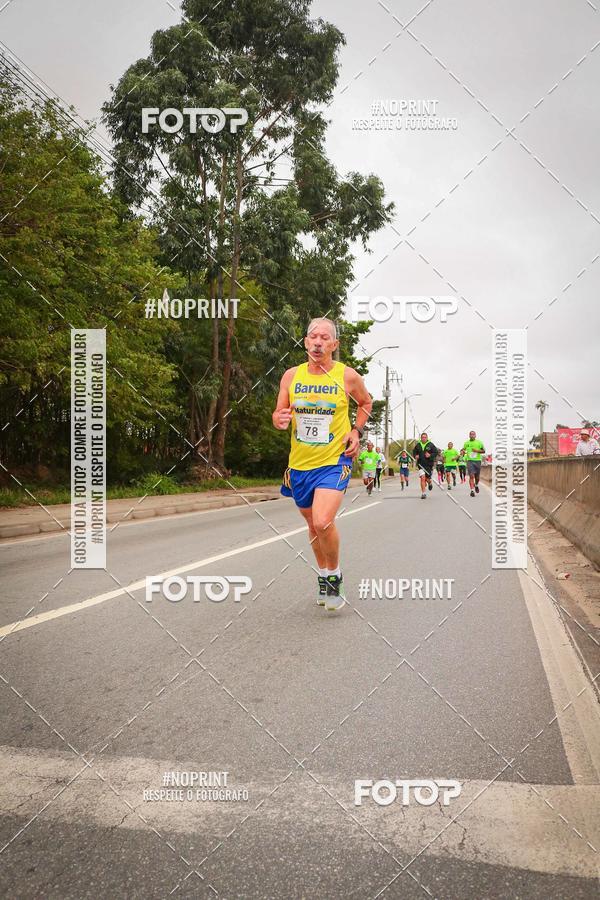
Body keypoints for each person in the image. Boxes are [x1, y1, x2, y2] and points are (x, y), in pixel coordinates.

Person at [273, 317, 372, 611]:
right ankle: (323, 574)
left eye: (325, 338)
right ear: (305, 342)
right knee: (312, 525)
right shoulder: (291, 376)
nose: (318, 342)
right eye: (313, 337)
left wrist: (356, 431)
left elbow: (365, 403)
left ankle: (335, 575)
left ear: (334, 345)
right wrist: (278, 420)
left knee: (322, 520)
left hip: (334, 460)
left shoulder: (347, 376)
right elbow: (279, 413)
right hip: (300, 464)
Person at [412, 432, 438, 499]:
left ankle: (429, 483)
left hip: (429, 465)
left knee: (427, 478)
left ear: (427, 438)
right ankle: (423, 493)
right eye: (422, 437)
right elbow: (414, 452)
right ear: (421, 438)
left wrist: (430, 455)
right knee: (422, 477)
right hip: (420, 465)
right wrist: (415, 456)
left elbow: (436, 452)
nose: (423, 438)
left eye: (425, 437)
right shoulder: (418, 445)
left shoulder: (431, 445)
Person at [463, 430, 486, 497]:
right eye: (471, 434)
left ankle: (476, 485)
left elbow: (483, 451)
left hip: (477, 461)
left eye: (473, 434)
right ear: (469, 435)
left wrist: (477, 450)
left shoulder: (479, 442)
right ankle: (472, 491)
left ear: (475, 435)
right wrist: (463, 452)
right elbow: (463, 450)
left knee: (477, 477)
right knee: (471, 476)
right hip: (470, 461)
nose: (472, 435)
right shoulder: (466, 443)